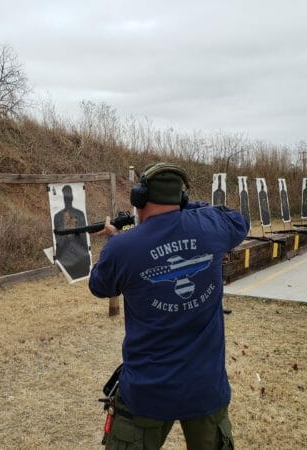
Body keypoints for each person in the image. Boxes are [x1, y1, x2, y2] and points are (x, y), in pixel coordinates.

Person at [89, 163, 249, 449]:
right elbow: (237, 219)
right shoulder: (211, 227)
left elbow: (99, 286)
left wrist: (113, 243)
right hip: (205, 387)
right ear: (182, 198)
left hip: (148, 391)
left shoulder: (122, 247)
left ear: (139, 197)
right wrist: (186, 208)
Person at [53, 185, 91, 280]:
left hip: (80, 255)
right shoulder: (57, 216)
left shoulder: (79, 214)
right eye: (66, 196)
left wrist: (87, 256)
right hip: (65, 256)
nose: (68, 198)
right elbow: (58, 240)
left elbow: (84, 236)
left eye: (69, 195)